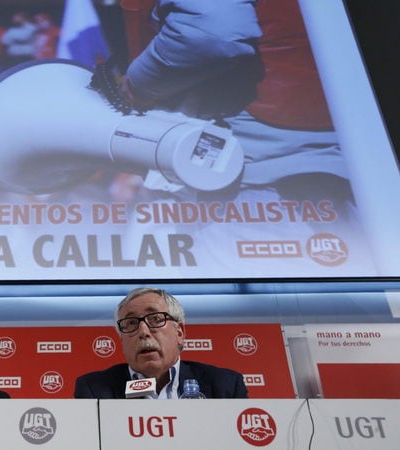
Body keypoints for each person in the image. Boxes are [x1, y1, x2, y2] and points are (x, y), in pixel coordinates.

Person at [114, 0, 375, 275]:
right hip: (335, 165)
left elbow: (213, 29)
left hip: (253, 181)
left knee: (255, 313)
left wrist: (139, 85)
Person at [74, 287, 247, 399]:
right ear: (121, 339)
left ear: (179, 332)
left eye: (156, 319)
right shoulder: (94, 390)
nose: (143, 332)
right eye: (131, 323)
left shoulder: (225, 386)